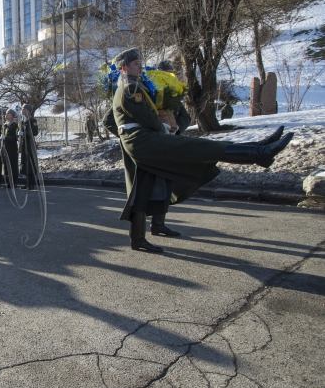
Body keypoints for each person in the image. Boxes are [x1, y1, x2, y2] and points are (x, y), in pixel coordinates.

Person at [111, 49, 293, 253]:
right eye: (136, 63)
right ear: (125, 67)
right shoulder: (130, 88)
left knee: (143, 189)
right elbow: (147, 118)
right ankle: (259, 153)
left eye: (140, 62)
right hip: (143, 141)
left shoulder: (135, 86)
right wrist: (163, 128)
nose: (140, 66)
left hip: (144, 140)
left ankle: (260, 147)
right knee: (203, 148)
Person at [157, 60, 192, 135]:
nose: (170, 77)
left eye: (172, 74)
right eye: (166, 74)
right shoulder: (154, 92)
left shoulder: (174, 95)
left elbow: (186, 117)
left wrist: (177, 128)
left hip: (173, 136)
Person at [19, 105, 39, 190]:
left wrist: (24, 134)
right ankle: (27, 183)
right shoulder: (21, 121)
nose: (23, 110)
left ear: (29, 111)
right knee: (25, 163)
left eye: (25, 109)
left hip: (30, 144)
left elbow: (35, 132)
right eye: (22, 109)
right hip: (24, 144)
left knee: (31, 163)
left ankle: (32, 183)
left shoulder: (32, 120)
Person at [2, 109, 20, 188]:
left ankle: (14, 182)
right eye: (6, 113)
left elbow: (15, 137)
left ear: (12, 115)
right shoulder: (5, 125)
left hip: (12, 148)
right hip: (6, 148)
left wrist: (6, 138)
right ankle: (9, 182)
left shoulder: (14, 125)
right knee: (6, 165)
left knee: (12, 165)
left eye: (8, 113)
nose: (6, 114)